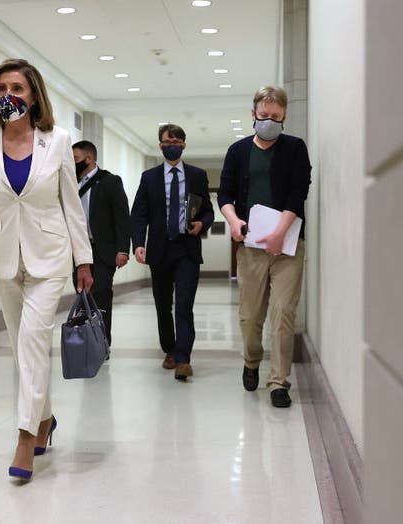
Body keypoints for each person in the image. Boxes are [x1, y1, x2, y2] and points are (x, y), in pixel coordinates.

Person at [0, 59, 93, 480]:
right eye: (3, 87)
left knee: (32, 339)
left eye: (19, 88)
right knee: (21, 345)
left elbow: (70, 203)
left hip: (49, 257)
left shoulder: (57, 140)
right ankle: (45, 417)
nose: (11, 94)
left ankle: (26, 435)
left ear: (33, 96)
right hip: (2, 257)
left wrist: (83, 259)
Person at [217, 86, 311, 408]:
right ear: (253, 113)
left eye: (275, 116)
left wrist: (280, 233)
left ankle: (279, 381)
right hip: (251, 246)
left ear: (284, 115)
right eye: (264, 114)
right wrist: (233, 222)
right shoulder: (238, 151)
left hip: (288, 246)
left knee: (283, 312)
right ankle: (252, 359)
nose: (269, 120)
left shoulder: (296, 149)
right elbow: (225, 194)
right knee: (250, 314)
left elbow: (298, 192)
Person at [131, 124, 214, 382]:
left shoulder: (197, 175)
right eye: (168, 141)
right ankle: (169, 348)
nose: (173, 144)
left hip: (187, 249)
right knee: (163, 305)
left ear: (184, 144)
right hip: (159, 250)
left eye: (177, 140)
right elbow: (139, 213)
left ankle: (183, 359)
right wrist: (138, 243)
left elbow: (208, 210)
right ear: (160, 144)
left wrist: (203, 224)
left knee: (184, 305)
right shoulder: (150, 177)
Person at [71, 140, 131, 349]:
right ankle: (88, 340)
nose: (72, 163)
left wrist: (123, 249)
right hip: (78, 250)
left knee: (101, 294)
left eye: (75, 159)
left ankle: (102, 343)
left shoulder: (109, 181)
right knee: (83, 295)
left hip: (103, 250)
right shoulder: (69, 182)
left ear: (89, 159)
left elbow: (122, 217)